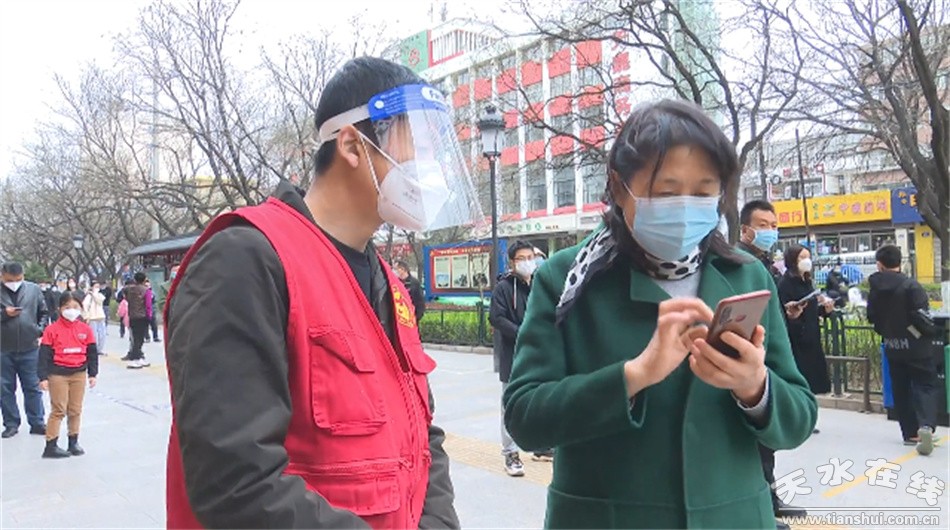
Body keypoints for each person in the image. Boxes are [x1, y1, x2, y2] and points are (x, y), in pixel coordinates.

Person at [163, 57, 471, 528]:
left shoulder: (388, 285)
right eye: (420, 147)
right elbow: (235, 482)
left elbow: (421, 437)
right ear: (352, 146)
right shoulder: (247, 259)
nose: (430, 169)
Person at [503, 100, 817, 528]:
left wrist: (755, 387)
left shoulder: (746, 275)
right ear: (619, 187)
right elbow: (525, 417)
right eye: (666, 193)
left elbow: (798, 418)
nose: (685, 209)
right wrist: (633, 376)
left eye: (703, 193)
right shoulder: (566, 280)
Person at [737, 200, 806, 526]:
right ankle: (764, 506)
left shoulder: (763, 265)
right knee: (758, 446)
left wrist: (786, 315)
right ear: (745, 230)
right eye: (762, 225)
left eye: (773, 225)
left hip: (766, 363)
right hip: (749, 365)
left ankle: (770, 502)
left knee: (766, 444)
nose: (770, 231)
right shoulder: (741, 265)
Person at [867, 244, 938, 455]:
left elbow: (872, 317)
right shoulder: (911, 286)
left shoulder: (875, 289)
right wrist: (929, 331)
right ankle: (926, 426)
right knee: (925, 385)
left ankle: (910, 433)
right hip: (917, 346)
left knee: (901, 388)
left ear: (879, 264)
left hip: (893, 345)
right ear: (900, 262)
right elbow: (922, 316)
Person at [489, 240, 536, 477]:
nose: (528, 262)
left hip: (538, 354)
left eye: (531, 257)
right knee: (510, 405)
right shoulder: (504, 288)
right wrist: (521, 333)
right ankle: (511, 453)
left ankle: (541, 445)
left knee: (538, 399)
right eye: (521, 259)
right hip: (513, 354)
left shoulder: (539, 284)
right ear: (512, 262)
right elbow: (496, 318)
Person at [38, 291, 99, 458]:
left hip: (78, 374)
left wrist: (92, 374)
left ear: (81, 308)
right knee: (58, 410)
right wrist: (43, 377)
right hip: (58, 375)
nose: (71, 310)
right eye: (67, 307)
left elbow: (92, 353)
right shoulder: (51, 330)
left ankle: (73, 442)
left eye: (75, 307)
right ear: (59, 309)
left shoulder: (85, 329)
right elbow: (44, 355)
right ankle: (51, 445)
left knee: (75, 410)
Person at [778, 245, 833, 402]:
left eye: (808, 257)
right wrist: (794, 316)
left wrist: (825, 310)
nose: (806, 261)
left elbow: (812, 309)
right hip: (797, 339)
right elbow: (783, 311)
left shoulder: (808, 281)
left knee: (814, 384)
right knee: (801, 382)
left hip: (812, 336)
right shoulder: (785, 283)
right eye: (802, 257)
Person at [1, 262, 49, 439]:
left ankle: (37, 422)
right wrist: (5, 314)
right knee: (5, 388)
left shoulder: (33, 290)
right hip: (3, 348)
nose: (14, 283)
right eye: (10, 280)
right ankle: (11, 423)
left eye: (18, 279)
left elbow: (44, 312)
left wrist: (39, 330)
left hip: (29, 347)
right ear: (2, 276)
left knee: (33, 386)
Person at [120, 273, 150, 369]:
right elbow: (148, 305)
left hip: (132, 316)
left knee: (135, 337)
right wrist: (149, 316)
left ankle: (138, 357)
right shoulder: (146, 290)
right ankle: (136, 359)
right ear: (144, 280)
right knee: (140, 339)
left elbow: (123, 293)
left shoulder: (129, 289)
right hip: (142, 316)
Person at [83, 280, 108, 355]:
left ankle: (100, 349)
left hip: (100, 316)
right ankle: (94, 349)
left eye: (98, 286)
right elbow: (85, 305)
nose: (97, 288)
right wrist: (87, 316)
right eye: (95, 286)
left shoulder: (100, 295)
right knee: (94, 335)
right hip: (92, 317)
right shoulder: (88, 296)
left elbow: (99, 301)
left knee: (102, 334)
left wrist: (94, 294)